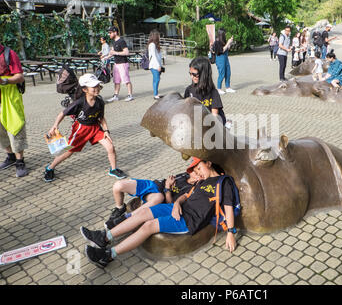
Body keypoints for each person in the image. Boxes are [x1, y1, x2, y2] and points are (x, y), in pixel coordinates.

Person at [81, 158, 238, 268]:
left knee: (148, 226)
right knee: (141, 214)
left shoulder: (223, 182)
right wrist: (176, 203)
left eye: (199, 168)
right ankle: (104, 237)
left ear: (208, 163)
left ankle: (107, 255)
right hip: (177, 208)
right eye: (196, 170)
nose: (198, 172)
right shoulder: (202, 181)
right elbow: (186, 196)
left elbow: (228, 207)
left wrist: (231, 232)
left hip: (189, 219)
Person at [44, 74, 127, 182]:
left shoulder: (100, 102)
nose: (97, 88)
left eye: (98, 86)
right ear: (84, 89)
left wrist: (106, 131)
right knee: (68, 152)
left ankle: (113, 169)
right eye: (93, 87)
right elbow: (62, 114)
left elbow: (101, 118)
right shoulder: (79, 103)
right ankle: (50, 168)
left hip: (95, 128)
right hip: (81, 130)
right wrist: (54, 126)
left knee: (110, 147)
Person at [104, 169, 200, 230]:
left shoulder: (191, 189)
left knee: (159, 197)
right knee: (118, 185)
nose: (193, 170)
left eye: (197, 171)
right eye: (195, 168)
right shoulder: (184, 175)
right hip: (154, 185)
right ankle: (119, 208)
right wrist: (167, 182)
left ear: (199, 178)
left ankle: (125, 218)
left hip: (158, 197)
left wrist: (167, 188)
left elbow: (170, 204)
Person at [0, 44, 28, 177]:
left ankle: (20, 161)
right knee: (1, 131)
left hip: (10, 97)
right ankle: (10, 157)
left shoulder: (9, 54)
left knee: (16, 128)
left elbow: (20, 77)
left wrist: (4, 81)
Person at [184, 56, 227, 126]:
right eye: (190, 73)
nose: (192, 77)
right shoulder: (189, 91)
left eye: (195, 74)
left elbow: (214, 116)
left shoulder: (213, 93)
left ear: (204, 74)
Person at [105, 26, 134, 102]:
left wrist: (115, 53)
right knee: (116, 81)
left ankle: (130, 95)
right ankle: (116, 95)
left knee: (126, 80)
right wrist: (106, 57)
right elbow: (112, 52)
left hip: (123, 63)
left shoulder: (121, 41)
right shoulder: (114, 42)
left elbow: (126, 52)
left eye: (110, 32)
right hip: (116, 64)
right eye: (109, 33)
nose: (109, 34)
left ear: (115, 32)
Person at [212, 29, 236, 94]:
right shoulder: (217, 42)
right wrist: (228, 43)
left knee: (228, 73)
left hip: (225, 58)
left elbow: (227, 48)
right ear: (221, 34)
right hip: (220, 59)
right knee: (222, 74)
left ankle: (228, 87)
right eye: (224, 34)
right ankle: (219, 89)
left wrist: (230, 43)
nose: (225, 35)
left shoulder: (223, 41)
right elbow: (221, 50)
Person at [147, 29, 163, 99]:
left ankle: (156, 93)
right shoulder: (152, 44)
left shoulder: (155, 45)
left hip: (156, 65)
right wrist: (158, 65)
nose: (159, 37)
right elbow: (153, 56)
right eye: (158, 35)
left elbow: (158, 56)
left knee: (156, 79)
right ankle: (155, 94)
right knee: (157, 79)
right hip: (154, 65)